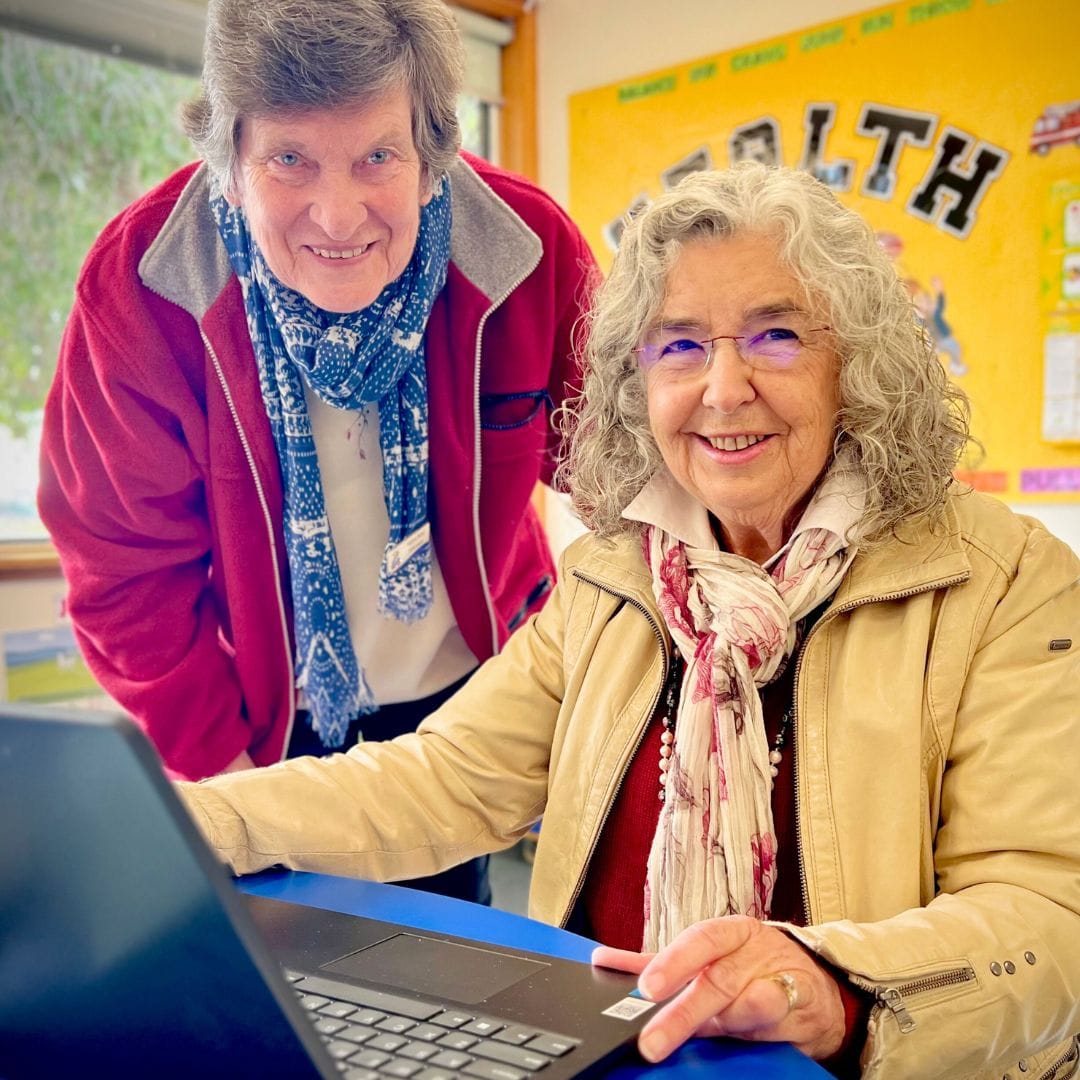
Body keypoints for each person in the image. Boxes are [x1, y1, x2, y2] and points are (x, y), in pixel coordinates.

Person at [180, 162, 1080, 1077]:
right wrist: (201, 819)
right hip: (619, 1053)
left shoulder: (1006, 583)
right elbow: (445, 776)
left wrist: (828, 985)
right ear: (634, 381)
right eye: (679, 345)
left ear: (856, 361)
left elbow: (1050, 913)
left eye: (775, 336)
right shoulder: (612, 575)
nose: (722, 389)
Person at [38, 0, 598, 904]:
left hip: (468, 706)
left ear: (432, 156)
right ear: (229, 164)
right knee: (288, 977)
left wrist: (579, 687)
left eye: (377, 156)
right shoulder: (143, 285)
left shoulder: (525, 250)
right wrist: (232, 781)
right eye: (289, 159)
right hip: (260, 723)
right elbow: (123, 574)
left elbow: (629, 476)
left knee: (450, 964)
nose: (338, 217)